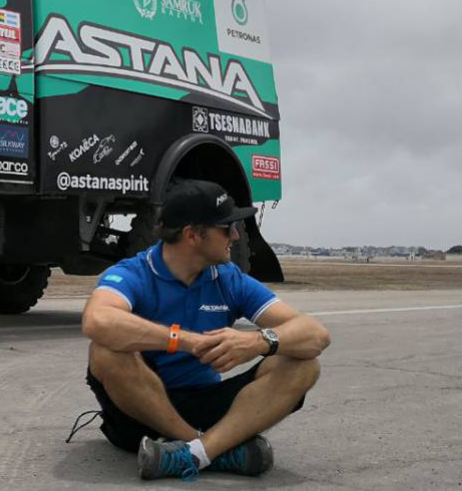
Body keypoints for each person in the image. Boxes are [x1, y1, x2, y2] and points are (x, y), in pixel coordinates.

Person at [79, 180, 330, 481]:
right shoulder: (134, 273)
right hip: (136, 411)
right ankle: (207, 448)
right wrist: (185, 341)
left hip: (203, 401)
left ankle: (194, 454)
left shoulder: (228, 278)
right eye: (226, 228)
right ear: (193, 234)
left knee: (302, 362)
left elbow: (315, 334)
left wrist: (258, 342)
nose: (235, 236)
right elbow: (98, 320)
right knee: (105, 349)